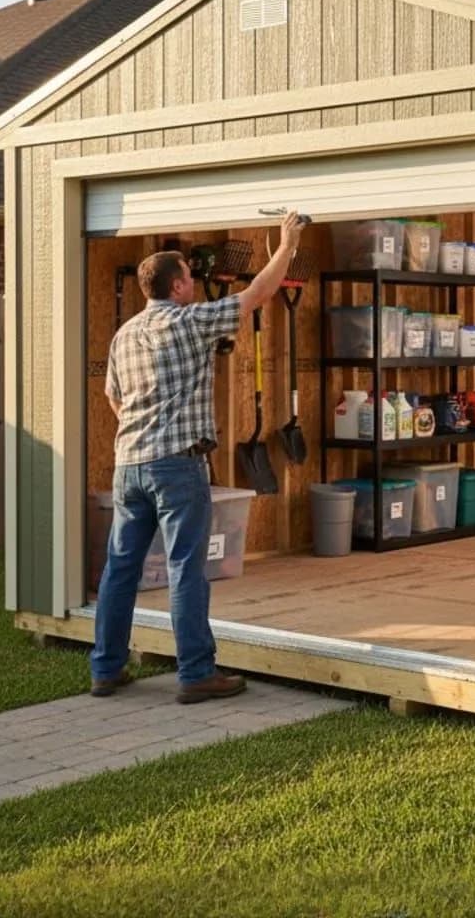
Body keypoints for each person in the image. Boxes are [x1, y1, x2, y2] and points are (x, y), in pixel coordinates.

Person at [89, 211, 303, 703]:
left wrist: (142, 430)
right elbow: (257, 294)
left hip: (129, 465)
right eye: (189, 275)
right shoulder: (189, 322)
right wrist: (287, 245)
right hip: (177, 467)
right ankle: (196, 673)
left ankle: (106, 669)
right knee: (185, 567)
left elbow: (113, 398)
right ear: (178, 285)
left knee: (120, 569)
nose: (191, 280)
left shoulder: (124, 335)